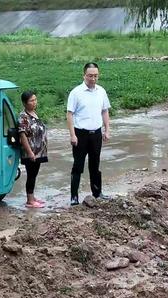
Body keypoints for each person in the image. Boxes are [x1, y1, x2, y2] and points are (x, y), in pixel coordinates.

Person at [67, 62, 111, 205]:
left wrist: (107, 129)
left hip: (96, 134)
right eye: (90, 76)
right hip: (81, 134)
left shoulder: (101, 91)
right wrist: (72, 135)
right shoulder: (76, 92)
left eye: (95, 76)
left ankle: (97, 193)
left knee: (95, 164)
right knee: (78, 166)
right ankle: (74, 197)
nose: (93, 78)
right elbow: (70, 114)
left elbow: (105, 111)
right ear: (84, 75)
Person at [18, 91, 47, 208]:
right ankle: (29, 200)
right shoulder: (23, 117)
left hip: (39, 151)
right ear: (25, 103)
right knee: (31, 174)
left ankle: (32, 196)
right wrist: (30, 152)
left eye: (35, 100)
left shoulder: (34, 113)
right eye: (31, 101)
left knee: (34, 174)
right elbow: (22, 135)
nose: (35, 102)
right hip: (31, 152)